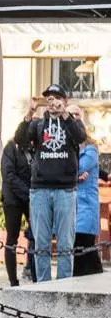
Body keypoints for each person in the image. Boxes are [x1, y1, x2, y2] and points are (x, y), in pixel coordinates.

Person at [14, 84, 86, 282]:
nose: (53, 102)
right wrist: (29, 112)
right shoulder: (38, 124)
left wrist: (65, 114)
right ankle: (44, 287)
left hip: (66, 191)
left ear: (64, 101)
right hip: (40, 190)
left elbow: (81, 137)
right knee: (41, 244)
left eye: (57, 97)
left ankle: (64, 286)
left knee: (65, 245)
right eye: (49, 98)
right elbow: (19, 139)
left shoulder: (72, 123)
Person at [69, 104, 103, 277]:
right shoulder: (70, 149)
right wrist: (74, 176)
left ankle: (95, 280)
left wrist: (72, 174)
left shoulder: (90, 150)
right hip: (73, 204)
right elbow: (68, 170)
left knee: (86, 247)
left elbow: (79, 168)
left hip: (86, 205)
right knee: (78, 250)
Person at [0, 128, 35, 287]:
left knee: (35, 235)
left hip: (31, 198)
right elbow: (9, 175)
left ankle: (32, 271)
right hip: (13, 199)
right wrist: (27, 192)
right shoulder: (10, 148)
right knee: (12, 238)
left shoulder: (34, 149)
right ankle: (13, 280)